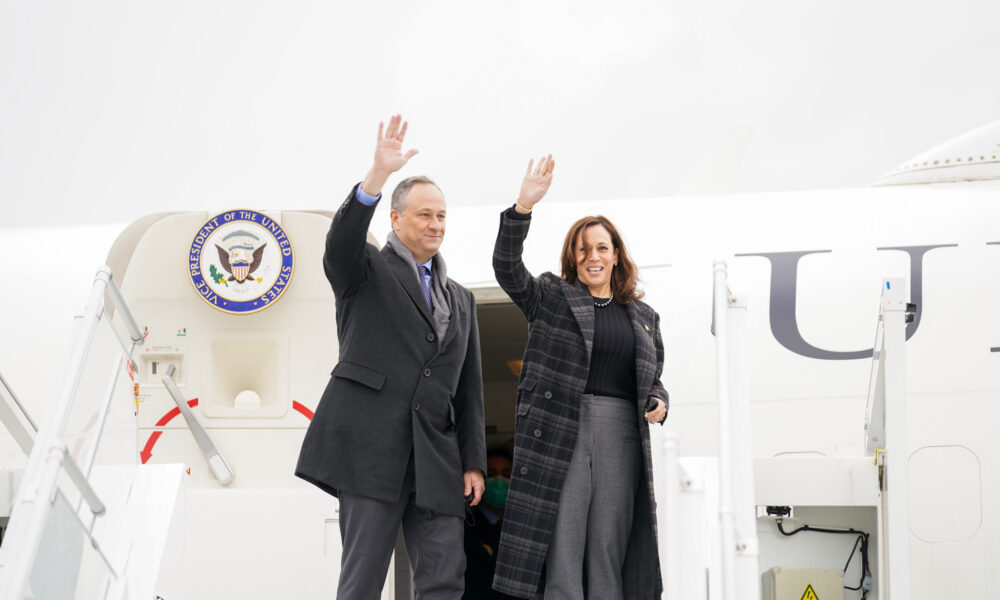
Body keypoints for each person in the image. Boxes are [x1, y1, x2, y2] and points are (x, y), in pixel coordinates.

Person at [295, 115, 486, 600]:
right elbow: (338, 245)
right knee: (362, 581)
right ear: (395, 219)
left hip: (437, 458)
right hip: (369, 449)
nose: (436, 224)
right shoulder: (364, 271)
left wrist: (474, 462)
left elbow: (469, 391)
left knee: (445, 577)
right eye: (425, 214)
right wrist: (374, 178)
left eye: (442, 215)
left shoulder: (461, 299)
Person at [491, 156, 668, 599]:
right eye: (583, 248)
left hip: (621, 434)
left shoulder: (643, 316)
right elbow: (507, 269)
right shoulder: (552, 296)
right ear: (574, 255)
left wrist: (660, 402)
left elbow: (654, 377)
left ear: (615, 255)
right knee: (563, 546)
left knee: (610, 547)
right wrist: (522, 208)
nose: (593, 256)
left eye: (602, 248)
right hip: (562, 429)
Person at [463, 448, 520, 600]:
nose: (499, 480)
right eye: (492, 474)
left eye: (507, 474)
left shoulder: (523, 527)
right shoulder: (465, 525)